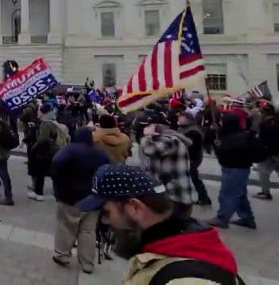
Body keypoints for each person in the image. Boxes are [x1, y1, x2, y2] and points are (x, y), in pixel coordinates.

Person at [77, 164, 240, 284]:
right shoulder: (167, 246)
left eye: (106, 213)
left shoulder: (187, 280)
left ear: (135, 207)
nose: (105, 222)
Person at [50, 127, 110, 273]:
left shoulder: (69, 150)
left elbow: (56, 164)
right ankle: (87, 263)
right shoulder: (101, 153)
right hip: (93, 198)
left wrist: (59, 188)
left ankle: (62, 255)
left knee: (66, 227)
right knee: (88, 231)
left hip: (69, 197)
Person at [207, 113, 264, 230]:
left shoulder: (238, 138)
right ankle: (247, 218)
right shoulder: (233, 135)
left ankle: (222, 218)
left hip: (235, 169)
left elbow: (224, 150)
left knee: (228, 194)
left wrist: (218, 141)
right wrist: (214, 133)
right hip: (236, 168)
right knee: (240, 194)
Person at [139, 113, 196, 218]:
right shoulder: (163, 139)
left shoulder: (170, 139)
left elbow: (150, 149)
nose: (145, 128)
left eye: (148, 126)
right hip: (169, 195)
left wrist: (147, 136)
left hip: (176, 197)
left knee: (173, 230)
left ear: (158, 126)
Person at [176, 111, 212, 206]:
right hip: (189, 157)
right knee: (192, 177)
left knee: (193, 178)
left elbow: (192, 146)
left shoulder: (192, 131)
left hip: (192, 158)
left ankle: (203, 198)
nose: (178, 119)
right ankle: (203, 198)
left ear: (187, 119)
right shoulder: (185, 128)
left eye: (181, 117)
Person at [28, 112, 60, 201]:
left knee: (40, 173)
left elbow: (43, 139)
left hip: (44, 152)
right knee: (51, 173)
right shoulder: (54, 123)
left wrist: (34, 147)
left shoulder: (46, 123)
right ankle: (56, 192)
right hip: (52, 151)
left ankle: (38, 193)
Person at [254, 101, 279, 201]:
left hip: (268, 152)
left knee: (263, 173)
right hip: (276, 152)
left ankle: (266, 192)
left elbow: (262, 139)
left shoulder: (264, 124)